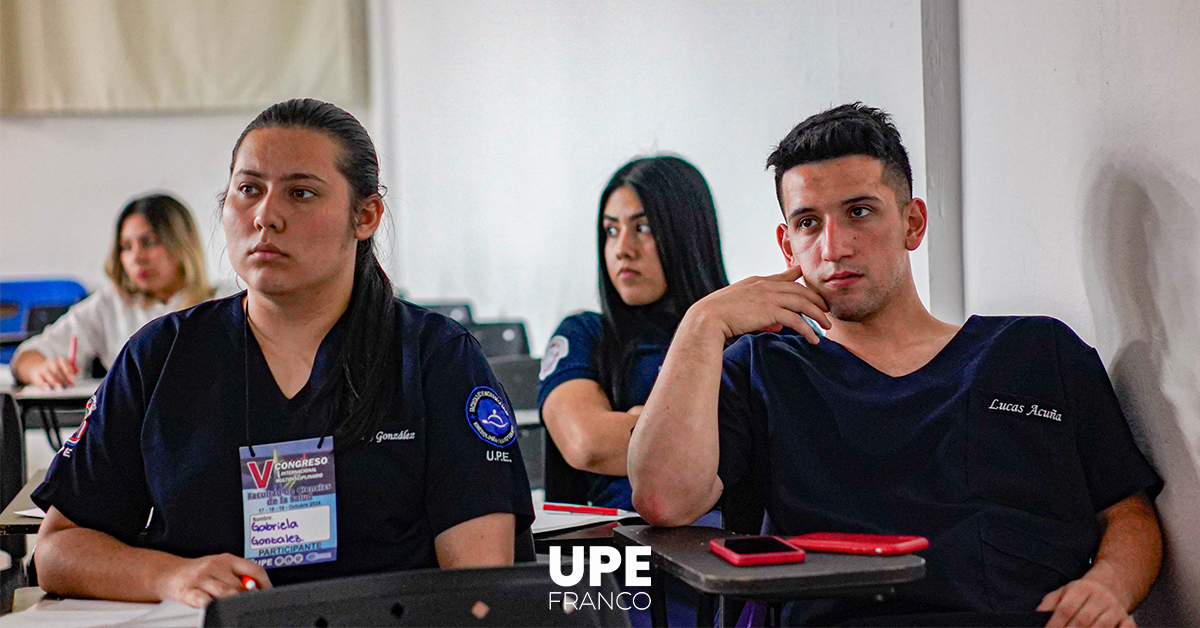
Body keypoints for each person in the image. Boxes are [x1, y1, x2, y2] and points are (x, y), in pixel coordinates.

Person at [628, 103, 1162, 627]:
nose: (834, 246)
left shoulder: (1037, 352)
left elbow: (1128, 514)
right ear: (787, 246)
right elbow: (662, 499)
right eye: (808, 223)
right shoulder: (762, 369)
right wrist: (702, 324)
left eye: (859, 212)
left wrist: (1106, 587)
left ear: (912, 222)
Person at [31, 98, 534, 608]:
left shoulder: (435, 358)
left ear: (364, 216)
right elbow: (57, 550)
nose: (266, 216)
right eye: (248, 190)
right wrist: (169, 577)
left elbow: (479, 588)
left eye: (300, 193)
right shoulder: (160, 356)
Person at [537, 155, 729, 509]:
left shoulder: (742, 336)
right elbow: (588, 444)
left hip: (730, 544)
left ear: (686, 234)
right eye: (611, 230)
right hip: (623, 547)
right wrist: (712, 432)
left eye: (642, 228)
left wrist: (639, 424)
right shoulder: (585, 334)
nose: (622, 249)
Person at [11, 194, 214, 387]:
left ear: (182, 244)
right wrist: (42, 369)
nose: (136, 258)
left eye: (148, 243)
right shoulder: (112, 304)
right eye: (126, 246)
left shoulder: (226, 302)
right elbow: (26, 357)